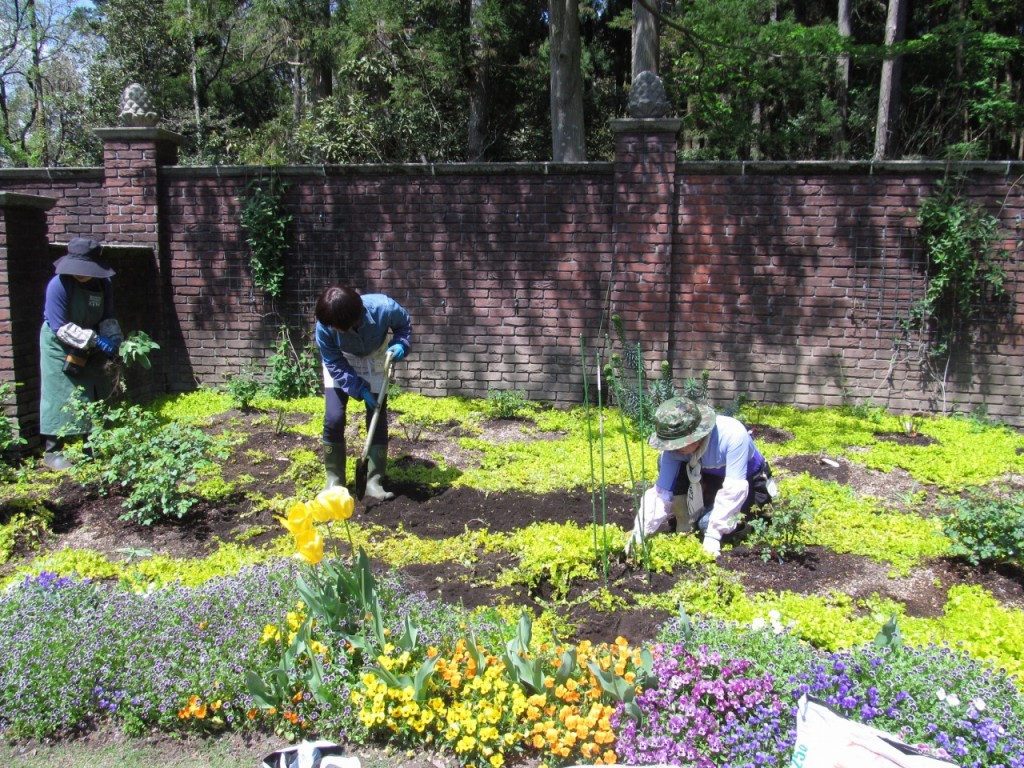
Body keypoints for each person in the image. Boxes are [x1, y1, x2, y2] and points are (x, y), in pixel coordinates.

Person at [628, 396, 776, 557]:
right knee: (663, 461)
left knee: (707, 525)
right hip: (709, 478)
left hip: (749, 483)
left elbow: (734, 489)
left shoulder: (733, 435)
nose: (673, 449)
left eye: (678, 444)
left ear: (697, 435)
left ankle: (744, 525)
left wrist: (713, 535)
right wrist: (640, 531)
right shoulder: (675, 451)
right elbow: (660, 494)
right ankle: (686, 522)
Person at [314, 284, 412, 500]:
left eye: (338, 327)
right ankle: (334, 480)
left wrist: (401, 344)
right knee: (334, 416)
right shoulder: (325, 325)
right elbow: (333, 361)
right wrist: (358, 388)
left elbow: (403, 325)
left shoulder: (384, 307)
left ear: (354, 318)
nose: (333, 329)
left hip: (376, 357)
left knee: (377, 416)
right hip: (342, 359)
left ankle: (374, 481)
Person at [39, 237, 122, 470]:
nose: (81, 274)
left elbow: (108, 315)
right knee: (61, 394)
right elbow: (59, 326)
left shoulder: (102, 284)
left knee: (94, 392)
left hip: (91, 345)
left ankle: (91, 448)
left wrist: (113, 339)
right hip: (60, 344)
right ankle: (52, 452)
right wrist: (95, 339)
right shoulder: (59, 285)